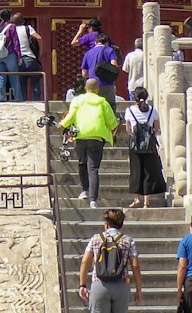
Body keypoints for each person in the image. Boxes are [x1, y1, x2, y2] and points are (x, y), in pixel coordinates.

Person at [77, 207, 142, 313]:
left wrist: (82, 284)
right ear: (121, 224)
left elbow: (85, 262)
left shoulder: (96, 239)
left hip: (100, 284)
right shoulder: (128, 240)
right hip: (121, 284)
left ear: (106, 223)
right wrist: (138, 289)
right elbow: (134, 265)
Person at [59, 77, 118, 208]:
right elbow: (112, 123)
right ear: (97, 89)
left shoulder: (77, 100)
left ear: (85, 88)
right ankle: (93, 200)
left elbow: (70, 116)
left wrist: (61, 124)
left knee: (82, 163)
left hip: (80, 135)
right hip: (97, 137)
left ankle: (84, 190)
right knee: (93, 168)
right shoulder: (103, 102)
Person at [124, 86, 166, 207]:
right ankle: (146, 203)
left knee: (136, 171)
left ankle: (136, 198)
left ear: (134, 98)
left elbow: (128, 129)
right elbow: (156, 129)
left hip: (135, 145)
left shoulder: (129, 110)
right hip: (150, 146)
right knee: (149, 172)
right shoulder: (153, 110)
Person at [0, 7, 22, 102]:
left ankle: (1, 98)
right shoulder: (12, 27)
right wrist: (19, 56)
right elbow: (16, 42)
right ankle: (17, 98)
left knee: (1, 76)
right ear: (10, 17)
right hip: (9, 54)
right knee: (13, 76)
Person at [82, 30, 121, 111]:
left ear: (95, 42)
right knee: (109, 109)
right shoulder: (110, 50)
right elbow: (114, 65)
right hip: (107, 85)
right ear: (106, 43)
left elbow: (84, 73)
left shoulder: (88, 53)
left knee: (94, 109)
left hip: (93, 86)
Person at [11, 12, 42, 101]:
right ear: (23, 21)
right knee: (35, 84)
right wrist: (40, 51)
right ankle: (37, 103)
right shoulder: (28, 28)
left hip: (18, 61)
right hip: (30, 58)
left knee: (21, 85)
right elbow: (39, 38)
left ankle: (23, 103)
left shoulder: (11, 30)